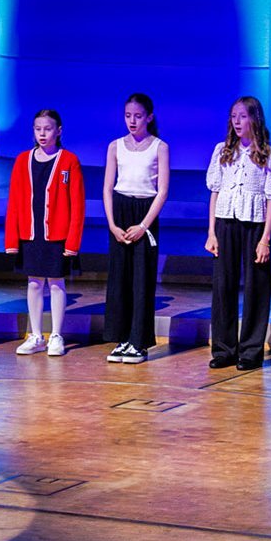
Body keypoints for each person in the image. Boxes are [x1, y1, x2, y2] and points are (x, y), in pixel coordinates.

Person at [206, 96, 271, 371]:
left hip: (255, 225)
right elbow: (214, 192)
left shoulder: (270, 155)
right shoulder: (222, 151)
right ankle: (224, 348)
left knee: (256, 287)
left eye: (242, 116)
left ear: (255, 119)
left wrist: (265, 239)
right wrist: (211, 233)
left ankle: (250, 350)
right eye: (233, 116)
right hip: (226, 223)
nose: (237, 122)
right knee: (223, 286)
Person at [5, 109, 85, 357]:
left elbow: (77, 205)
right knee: (34, 283)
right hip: (31, 233)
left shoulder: (69, 161)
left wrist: (72, 242)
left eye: (47, 129)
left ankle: (57, 335)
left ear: (58, 131)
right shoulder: (22, 160)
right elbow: (15, 201)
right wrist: (12, 240)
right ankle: (37, 335)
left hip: (57, 236)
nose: (42, 133)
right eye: (38, 128)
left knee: (57, 283)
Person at [103, 93, 169, 365]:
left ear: (149, 117)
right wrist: (112, 225)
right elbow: (107, 187)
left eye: (138, 116)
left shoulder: (159, 147)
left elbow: (162, 190)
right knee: (120, 279)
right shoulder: (115, 146)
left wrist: (144, 226)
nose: (132, 120)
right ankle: (122, 339)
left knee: (142, 280)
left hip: (145, 214)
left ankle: (139, 342)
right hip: (120, 212)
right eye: (128, 115)